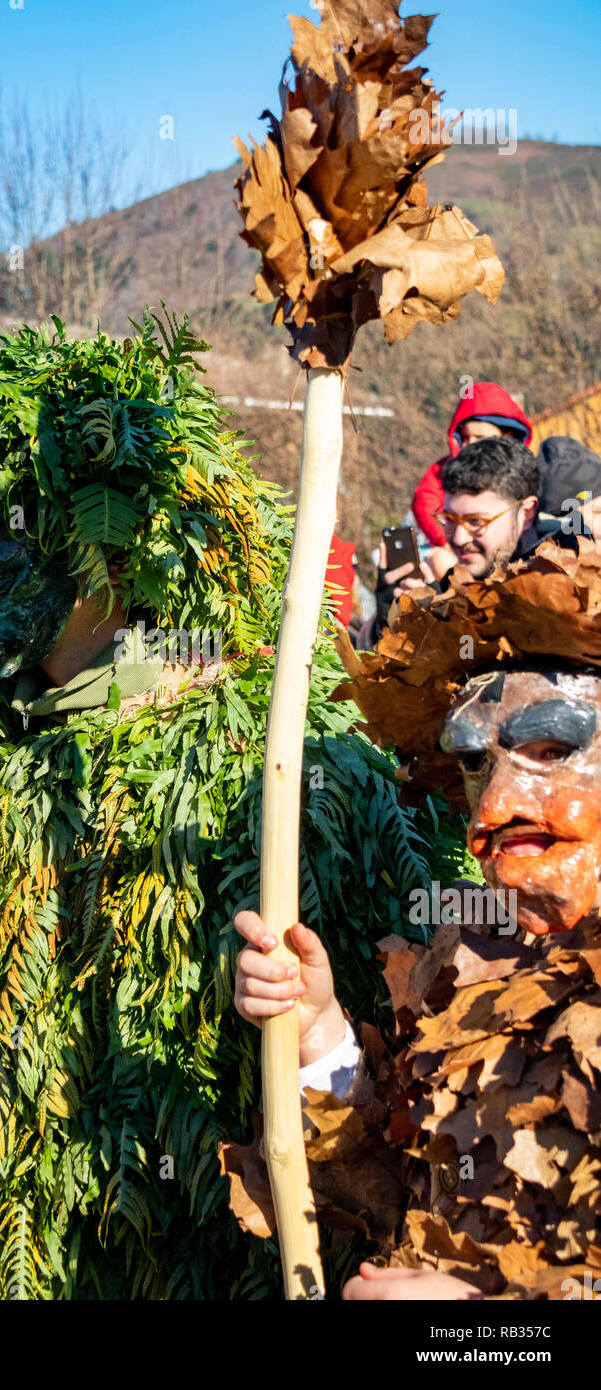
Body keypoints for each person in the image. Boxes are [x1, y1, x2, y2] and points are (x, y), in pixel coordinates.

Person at [229, 538, 601, 1300]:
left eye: (550, 747)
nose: (492, 808)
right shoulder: (473, 960)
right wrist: (319, 1035)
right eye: (474, 763)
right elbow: (401, 1192)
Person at [355, 436, 541, 649]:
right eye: (450, 520)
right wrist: (392, 625)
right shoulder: (447, 586)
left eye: (476, 521)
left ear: (526, 512)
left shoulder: (561, 592)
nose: (459, 538)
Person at [412, 382, 533, 548]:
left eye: (480, 437)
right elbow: (425, 501)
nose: (470, 444)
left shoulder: (526, 470)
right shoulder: (447, 467)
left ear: (508, 436)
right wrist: (444, 542)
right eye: (466, 437)